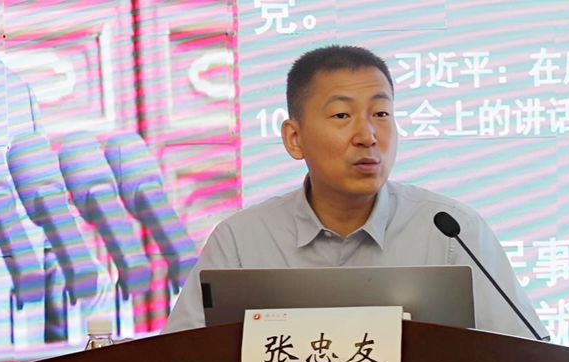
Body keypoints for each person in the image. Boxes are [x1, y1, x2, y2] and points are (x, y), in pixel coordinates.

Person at [163, 44, 545, 342]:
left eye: (381, 114)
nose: (368, 136)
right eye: (342, 116)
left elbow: (525, 359)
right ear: (295, 138)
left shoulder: (449, 231)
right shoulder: (241, 241)